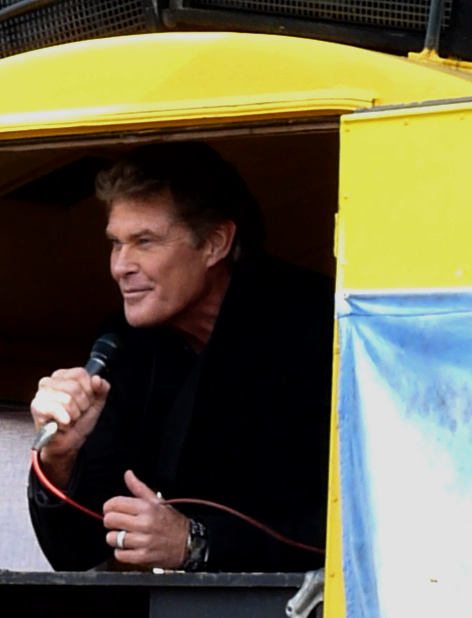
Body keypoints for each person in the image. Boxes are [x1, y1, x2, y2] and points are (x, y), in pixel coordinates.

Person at [27, 142, 331, 573]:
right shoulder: (122, 345)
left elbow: (365, 526)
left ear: (215, 243)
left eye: (145, 242)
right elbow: (78, 554)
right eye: (116, 244)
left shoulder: (317, 328)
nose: (120, 266)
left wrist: (199, 543)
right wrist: (60, 458)